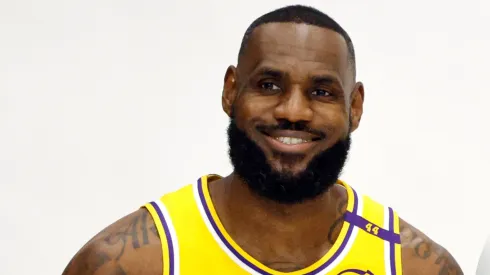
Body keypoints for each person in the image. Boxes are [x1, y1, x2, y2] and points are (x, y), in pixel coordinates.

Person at [62, 5, 464, 275]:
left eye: (322, 91)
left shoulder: (414, 265)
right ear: (230, 91)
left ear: (355, 107)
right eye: (269, 84)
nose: (293, 110)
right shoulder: (129, 262)